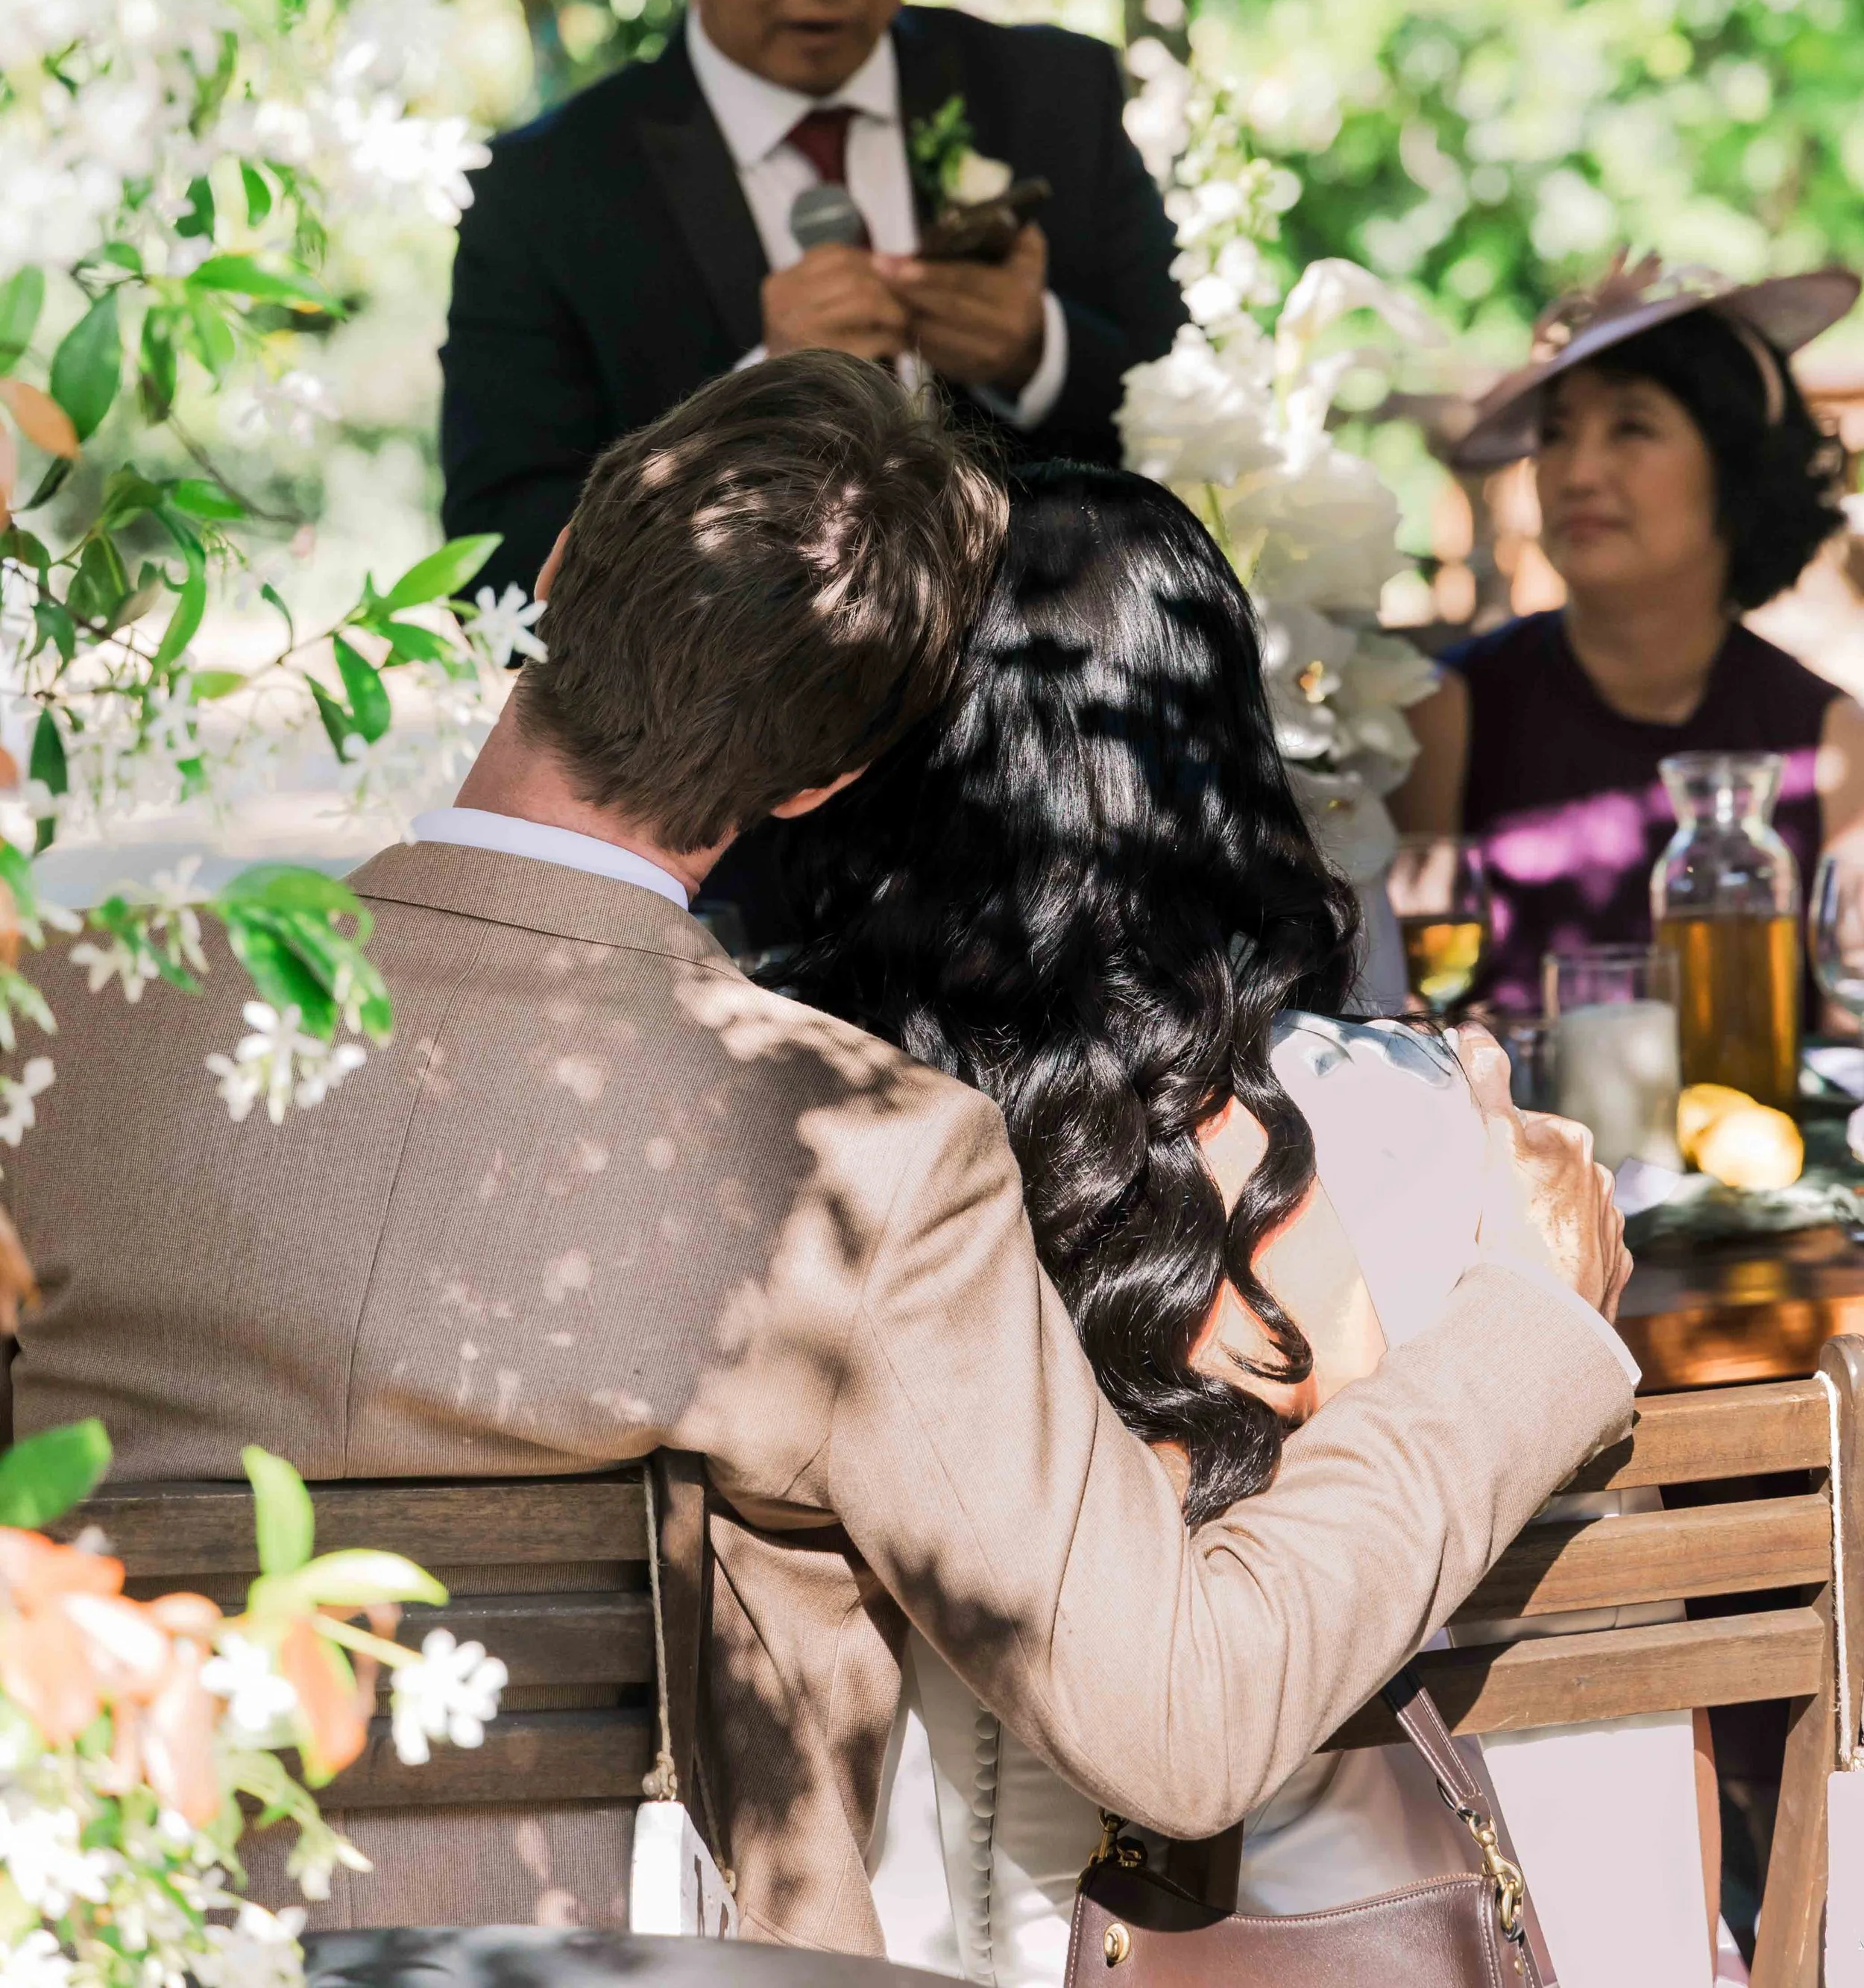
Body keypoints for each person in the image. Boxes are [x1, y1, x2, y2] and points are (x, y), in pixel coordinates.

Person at [10, 357, 1631, 1951]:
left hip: (116, 1927)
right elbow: (1180, 1723)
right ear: (821, 780)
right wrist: (1517, 1328)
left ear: (559, 566)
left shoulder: (71, 1021)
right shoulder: (853, 1161)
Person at [777, 463, 1704, 1987]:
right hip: (1411, 1931)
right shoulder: (1425, 1130)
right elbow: (1607, 1670)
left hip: (951, 1936)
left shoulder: (837, 1157)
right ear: (1222, 749)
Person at [439, 0, 1186, 605]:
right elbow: (494, 571)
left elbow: (1201, 411)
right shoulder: (547, 194)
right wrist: (745, 411)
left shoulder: (1049, 98)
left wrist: (1037, 350)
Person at [1394, 255, 1864, 1014]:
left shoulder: (1832, 738)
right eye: (1555, 433)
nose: (1576, 472)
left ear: (1735, 470)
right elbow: (1406, 1015)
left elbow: (1850, 1035)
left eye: (1631, 428)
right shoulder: (1448, 709)